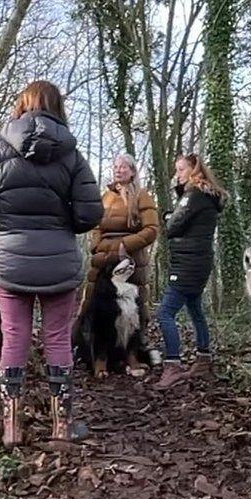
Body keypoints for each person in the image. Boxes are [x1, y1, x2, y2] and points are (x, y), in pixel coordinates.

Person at [0, 80, 103, 447]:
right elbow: (90, 213)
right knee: (56, 338)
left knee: (15, 336)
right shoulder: (72, 154)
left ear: (21, 105)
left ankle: (12, 428)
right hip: (58, 262)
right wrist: (61, 222)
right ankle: (62, 425)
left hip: (10, 262)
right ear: (57, 107)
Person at [153, 153, 228, 389]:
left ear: (194, 171)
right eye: (177, 170)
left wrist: (167, 217)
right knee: (195, 309)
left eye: (181, 170)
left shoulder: (193, 195)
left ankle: (173, 365)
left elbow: (173, 226)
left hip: (188, 264)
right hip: (198, 262)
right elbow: (183, 221)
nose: (178, 174)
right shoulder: (202, 195)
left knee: (165, 313)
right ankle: (204, 359)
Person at [81, 153, 159, 376]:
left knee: (131, 317)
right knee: (97, 314)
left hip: (130, 265)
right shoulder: (105, 197)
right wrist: (96, 247)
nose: (119, 170)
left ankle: (132, 358)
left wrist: (125, 245)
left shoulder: (142, 196)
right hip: (103, 265)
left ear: (133, 171)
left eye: (124, 167)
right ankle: (96, 360)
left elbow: (152, 230)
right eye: (116, 166)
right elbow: (96, 227)